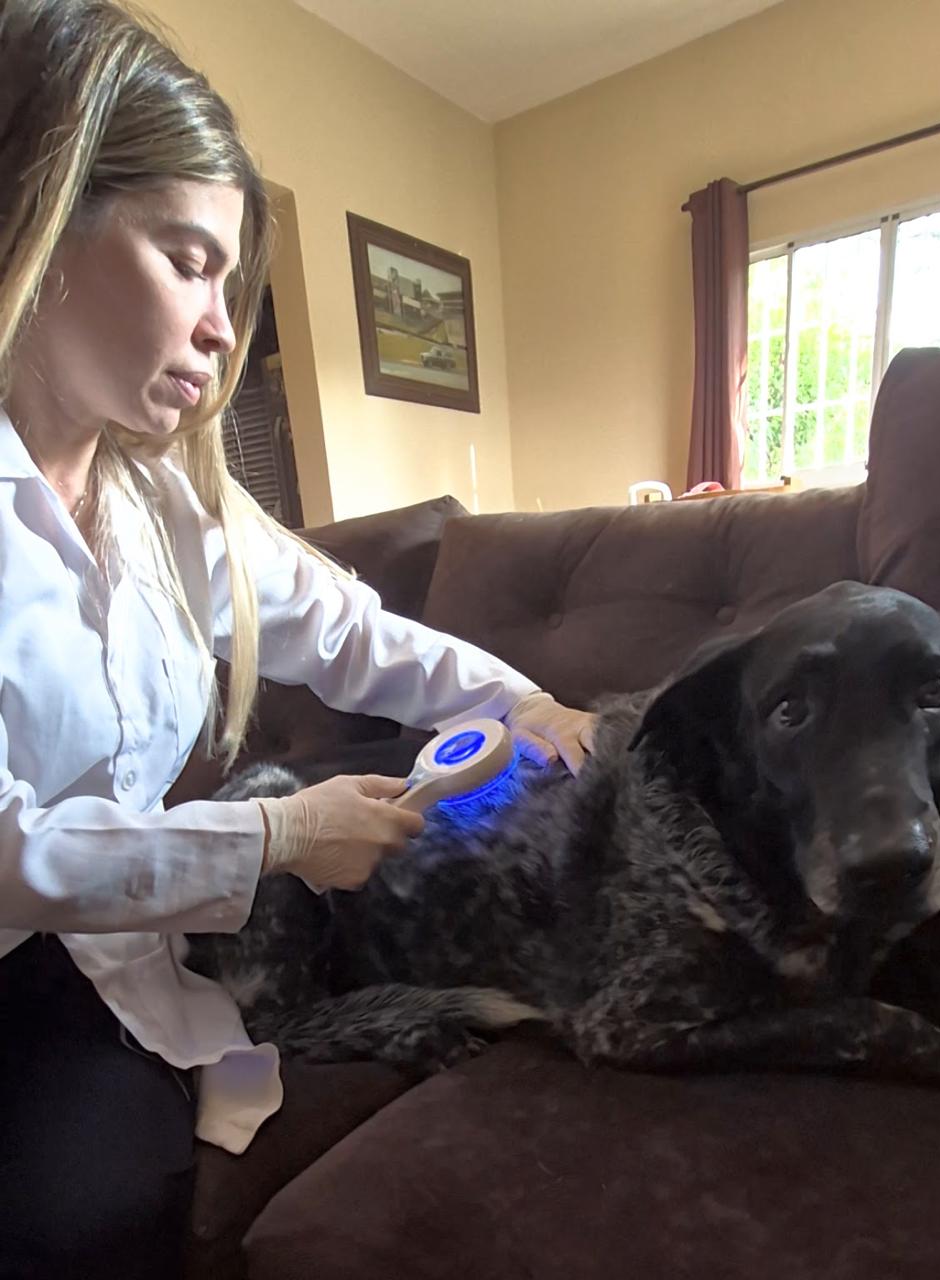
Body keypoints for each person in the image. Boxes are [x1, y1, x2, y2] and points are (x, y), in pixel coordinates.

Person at [0, 2, 595, 1276]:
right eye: (187, 259)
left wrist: (531, 697)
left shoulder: (175, 504)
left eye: (232, 281)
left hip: (125, 958)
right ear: (46, 223)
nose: (224, 329)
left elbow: (360, 633)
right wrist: (279, 835)